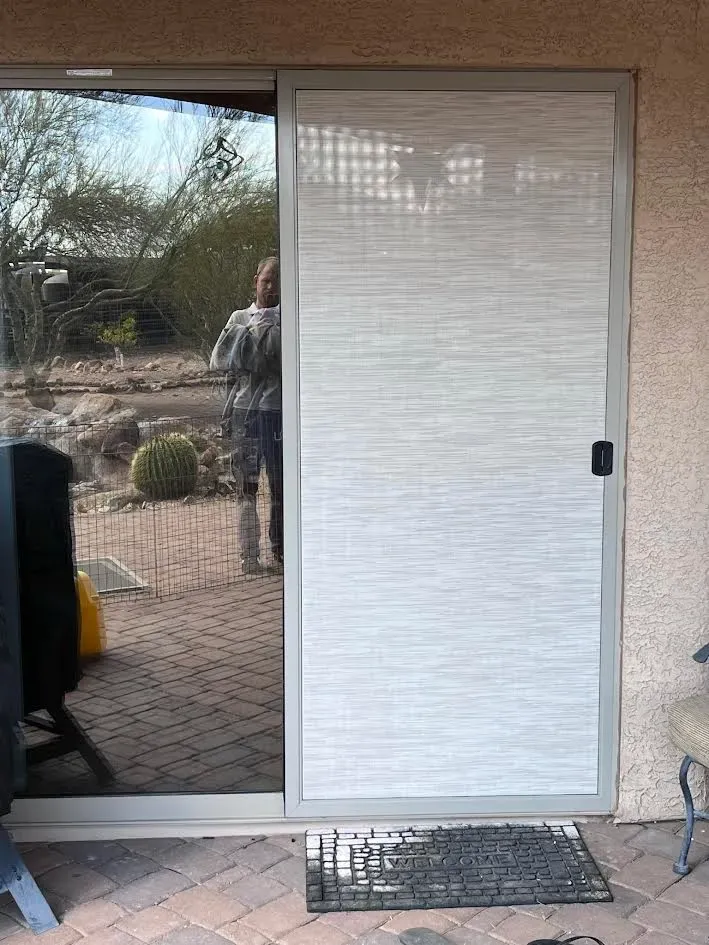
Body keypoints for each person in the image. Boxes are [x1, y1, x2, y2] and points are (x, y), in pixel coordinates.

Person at [210, 257, 282, 574]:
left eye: (277, 282)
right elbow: (222, 361)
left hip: (278, 413)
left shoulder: (291, 319)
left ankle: (282, 551)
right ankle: (249, 555)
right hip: (246, 414)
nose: (271, 287)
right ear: (256, 281)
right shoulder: (239, 317)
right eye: (266, 281)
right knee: (246, 487)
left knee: (282, 486)